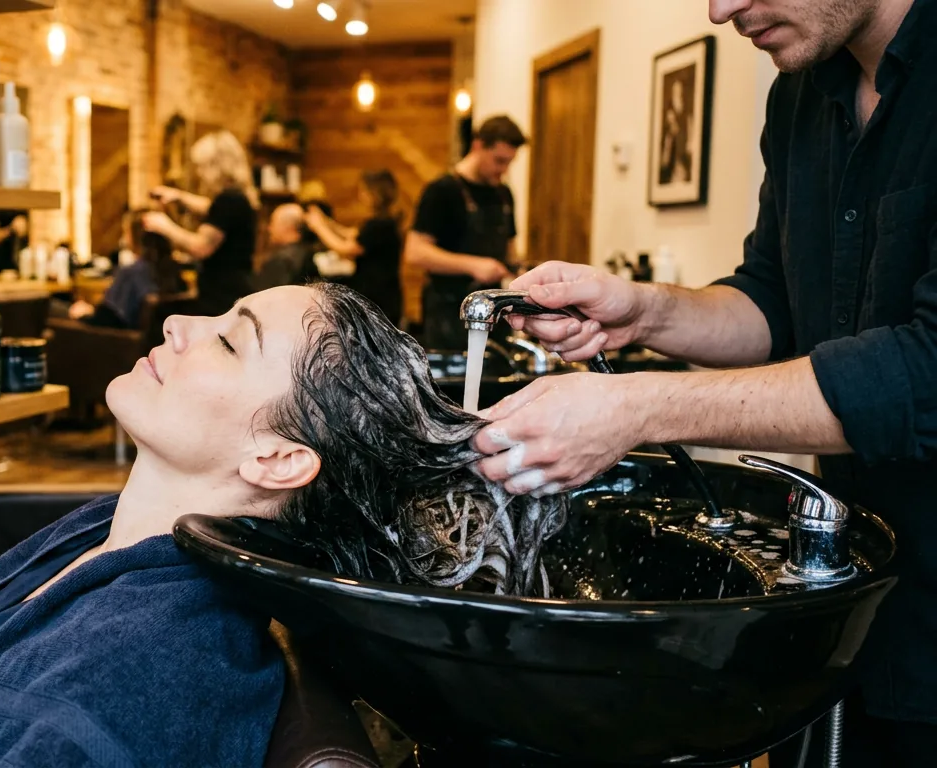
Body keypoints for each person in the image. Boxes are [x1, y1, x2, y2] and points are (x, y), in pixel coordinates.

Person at [0, 283, 565, 768]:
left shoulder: (137, 671)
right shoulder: (101, 541)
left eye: (231, 343)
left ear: (276, 460)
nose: (178, 323)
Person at [472, 0, 937, 764]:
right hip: (840, 600)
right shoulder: (801, 93)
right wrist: (642, 312)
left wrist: (636, 408)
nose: (721, 10)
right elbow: (773, 304)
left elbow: (924, 373)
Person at [405, 115, 525, 350]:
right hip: (450, 313)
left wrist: (519, 270)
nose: (504, 169)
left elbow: (510, 250)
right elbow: (415, 252)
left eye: (509, 162)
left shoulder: (504, 194)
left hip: (495, 312)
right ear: (478, 146)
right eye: (499, 160)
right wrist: (473, 265)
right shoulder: (442, 191)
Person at [144, 131, 259, 317]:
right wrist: (179, 197)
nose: (199, 173)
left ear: (216, 166)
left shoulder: (229, 199)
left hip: (221, 295)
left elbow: (201, 247)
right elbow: (214, 210)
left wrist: (164, 225)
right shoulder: (239, 197)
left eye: (202, 167)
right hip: (235, 289)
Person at [305, 169, 404, 326]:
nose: (361, 195)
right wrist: (326, 221)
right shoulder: (386, 221)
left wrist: (319, 227)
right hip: (385, 292)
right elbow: (351, 234)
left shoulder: (378, 225)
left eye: (364, 191)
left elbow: (347, 248)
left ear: (375, 193)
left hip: (377, 295)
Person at [69, 212, 186, 330]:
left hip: (120, 343)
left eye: (126, 232)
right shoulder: (173, 270)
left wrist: (85, 314)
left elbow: (109, 320)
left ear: (135, 236)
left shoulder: (130, 273)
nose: (124, 238)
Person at [256, 202, 317, 290]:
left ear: (288, 226)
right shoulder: (308, 253)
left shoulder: (280, 261)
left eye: (272, 222)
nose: (269, 228)